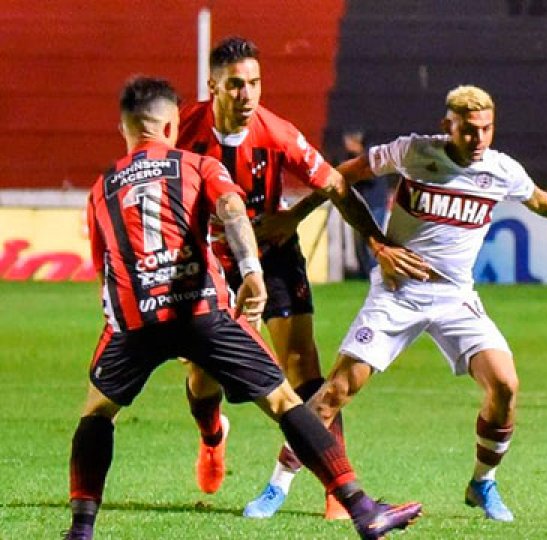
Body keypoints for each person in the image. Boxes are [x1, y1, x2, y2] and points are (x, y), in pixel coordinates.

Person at [64, 76, 422, 540]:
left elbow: (104, 270)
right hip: (202, 311)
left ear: (125, 129)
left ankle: (81, 531)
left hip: (135, 319)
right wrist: (252, 270)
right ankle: (360, 507)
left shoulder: (102, 189)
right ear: (171, 125)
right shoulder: (194, 165)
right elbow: (232, 210)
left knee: (96, 414)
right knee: (283, 401)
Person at [256, 84, 547, 522]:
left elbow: (538, 199)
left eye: (486, 129)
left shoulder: (502, 170)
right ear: (447, 126)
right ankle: (278, 484)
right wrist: (298, 215)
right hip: (398, 293)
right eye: (468, 130)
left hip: (456, 298)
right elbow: (340, 177)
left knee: (505, 385)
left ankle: (482, 483)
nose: (478, 138)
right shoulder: (413, 152)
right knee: (336, 390)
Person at [176, 36, 428, 519]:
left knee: (301, 363)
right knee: (202, 373)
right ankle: (212, 437)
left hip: (272, 253)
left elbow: (335, 183)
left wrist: (374, 240)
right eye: (235, 85)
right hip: (208, 257)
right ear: (213, 86)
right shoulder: (184, 132)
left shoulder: (277, 134)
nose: (246, 94)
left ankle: (335, 487)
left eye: (254, 83)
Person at [335, 128, 391, 279]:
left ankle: (375, 273)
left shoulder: (370, 156)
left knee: (373, 240)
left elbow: (371, 177)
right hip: (361, 204)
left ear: (355, 141)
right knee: (361, 241)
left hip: (375, 204)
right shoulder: (352, 157)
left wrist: (351, 172)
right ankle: (366, 273)